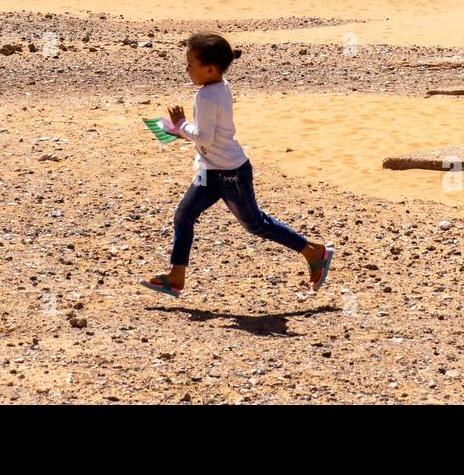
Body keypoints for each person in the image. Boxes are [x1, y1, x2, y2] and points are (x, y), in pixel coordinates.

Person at [140, 32, 333, 297]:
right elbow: (210, 135)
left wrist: (181, 125)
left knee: (255, 224)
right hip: (210, 170)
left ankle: (314, 251)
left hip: (230, 173)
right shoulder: (219, 86)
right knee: (184, 214)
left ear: (209, 69)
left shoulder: (207, 96)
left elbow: (205, 136)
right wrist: (181, 131)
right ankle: (176, 276)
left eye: (190, 64)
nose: (186, 70)